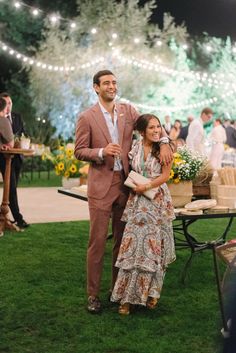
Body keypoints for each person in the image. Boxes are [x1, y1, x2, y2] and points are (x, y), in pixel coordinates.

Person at [74, 70, 173, 313]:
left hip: (127, 187)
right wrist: (101, 152)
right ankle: (93, 295)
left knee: (122, 243)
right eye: (106, 83)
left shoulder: (127, 111)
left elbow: (151, 125)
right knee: (97, 243)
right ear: (96, 87)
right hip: (100, 187)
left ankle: (116, 291)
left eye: (114, 82)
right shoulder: (87, 117)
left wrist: (165, 142)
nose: (112, 86)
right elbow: (79, 150)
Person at [111, 114, 176, 315]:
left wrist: (147, 185)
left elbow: (166, 175)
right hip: (137, 202)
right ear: (142, 132)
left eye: (158, 127)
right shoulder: (136, 147)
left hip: (157, 201)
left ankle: (152, 293)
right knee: (132, 248)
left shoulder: (165, 148)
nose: (157, 131)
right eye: (152, 128)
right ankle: (126, 298)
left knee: (153, 249)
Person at [0, 92, 29, 229]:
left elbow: (23, 133)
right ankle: (18, 218)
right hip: (4, 157)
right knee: (10, 187)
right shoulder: (2, 119)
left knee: (12, 188)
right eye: (6, 103)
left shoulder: (17, 117)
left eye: (10, 103)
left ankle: (6, 216)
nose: (9, 105)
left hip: (17, 157)